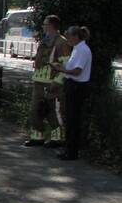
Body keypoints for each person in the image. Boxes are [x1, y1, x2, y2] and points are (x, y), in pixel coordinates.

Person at [24, 15, 70, 148]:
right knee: (35, 110)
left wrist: (58, 81)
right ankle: (37, 137)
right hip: (39, 81)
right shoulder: (45, 40)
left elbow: (66, 65)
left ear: (52, 26)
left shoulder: (62, 43)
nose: (43, 26)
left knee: (52, 112)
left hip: (51, 82)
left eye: (45, 24)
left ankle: (57, 139)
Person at [51, 26, 92, 161]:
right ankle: (69, 149)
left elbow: (77, 71)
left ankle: (72, 151)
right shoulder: (78, 49)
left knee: (73, 119)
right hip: (74, 85)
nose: (67, 39)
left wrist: (62, 70)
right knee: (70, 118)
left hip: (77, 86)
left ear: (75, 36)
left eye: (68, 36)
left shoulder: (81, 50)